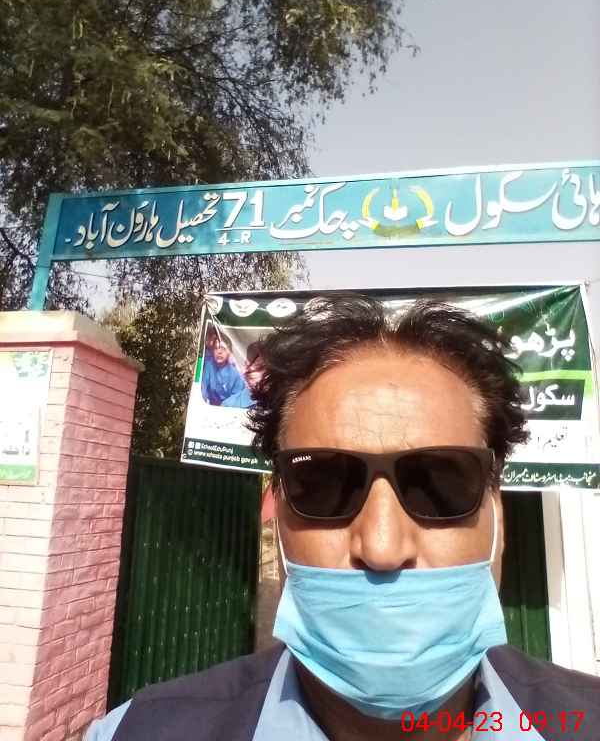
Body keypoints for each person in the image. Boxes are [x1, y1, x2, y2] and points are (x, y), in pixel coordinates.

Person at [86, 294, 600, 741]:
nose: (381, 547)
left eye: (441, 484)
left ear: (498, 519)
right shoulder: (137, 732)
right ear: (277, 519)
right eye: (325, 485)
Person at [200, 331, 245, 406]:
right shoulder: (209, 365)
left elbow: (237, 399)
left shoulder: (236, 373)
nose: (219, 352)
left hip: (229, 408)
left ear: (229, 352)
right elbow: (203, 388)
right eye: (216, 348)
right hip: (211, 406)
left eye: (223, 348)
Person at [221, 341, 265, 408]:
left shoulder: (280, 404)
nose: (244, 372)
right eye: (246, 365)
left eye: (252, 369)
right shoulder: (229, 406)